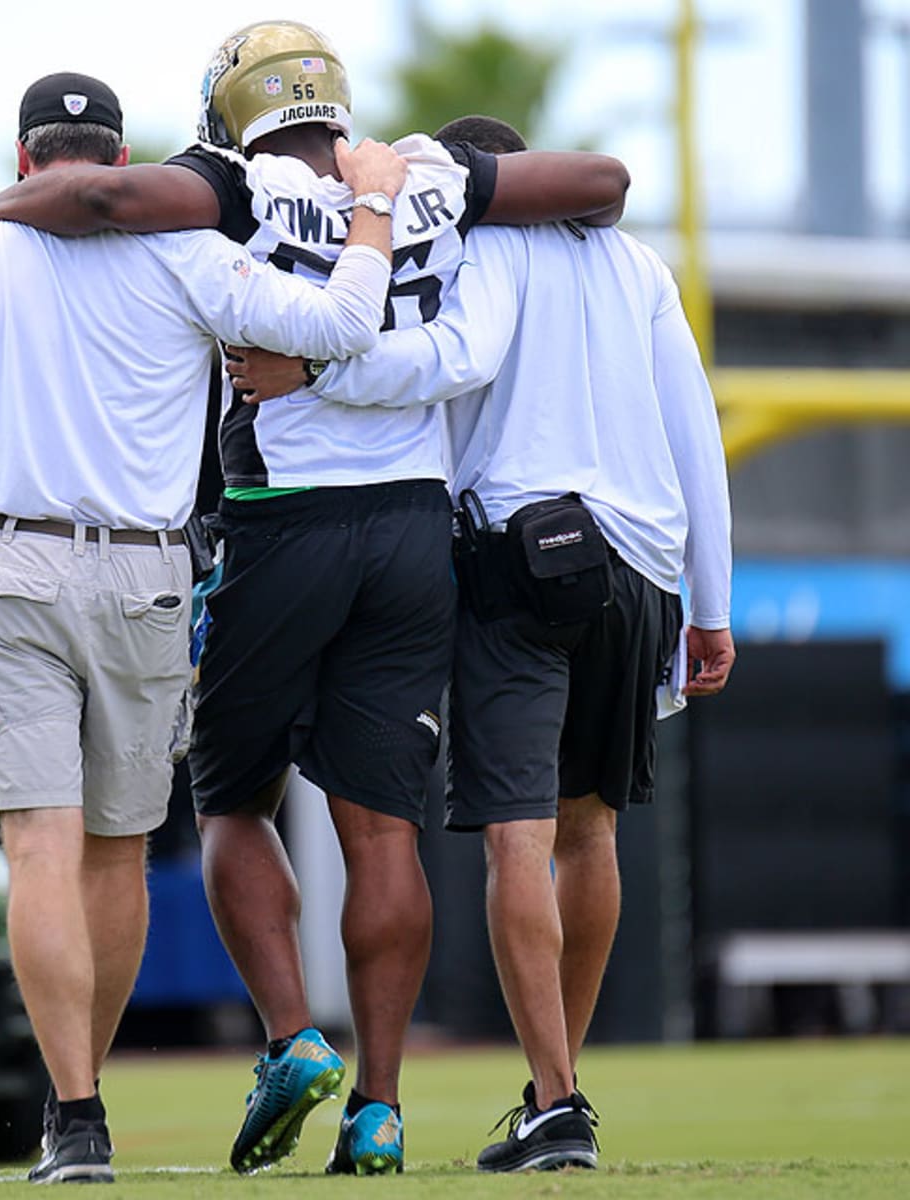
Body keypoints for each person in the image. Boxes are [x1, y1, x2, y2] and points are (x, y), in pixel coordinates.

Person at [0, 24, 630, 1178]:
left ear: (234, 108)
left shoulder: (231, 181)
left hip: (284, 519)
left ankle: (288, 1039)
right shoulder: (422, 176)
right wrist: (431, 184)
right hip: (416, 528)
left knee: (230, 802)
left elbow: (107, 202)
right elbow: (603, 183)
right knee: (383, 828)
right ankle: (380, 1105)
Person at [0, 68, 409, 1185]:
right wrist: (372, 206)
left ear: (25, 164)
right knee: (115, 857)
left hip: (5, 564)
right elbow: (350, 324)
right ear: (122, 164)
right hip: (149, 575)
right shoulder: (189, 251)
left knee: (38, 852)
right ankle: (84, 1106)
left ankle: (74, 1116)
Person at [230, 114, 735, 1175]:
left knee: (519, 838)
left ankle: (559, 1100)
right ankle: (555, 1091)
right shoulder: (640, 265)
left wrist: (314, 374)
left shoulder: (489, 246)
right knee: (591, 839)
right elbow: (695, 420)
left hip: (525, 555)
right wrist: (712, 604)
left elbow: (459, 357)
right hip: (643, 567)